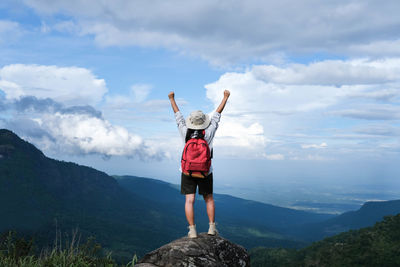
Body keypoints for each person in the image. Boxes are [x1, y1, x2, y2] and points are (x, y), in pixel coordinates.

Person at [168, 90, 230, 238]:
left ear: (191, 121)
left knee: (189, 200)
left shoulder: (185, 132)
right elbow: (217, 115)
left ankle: (192, 230)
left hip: (187, 171)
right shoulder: (208, 132)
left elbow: (178, 117)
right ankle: (211, 228)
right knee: (208, 198)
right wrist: (225, 98)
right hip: (205, 171)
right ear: (204, 122)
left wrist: (172, 99)